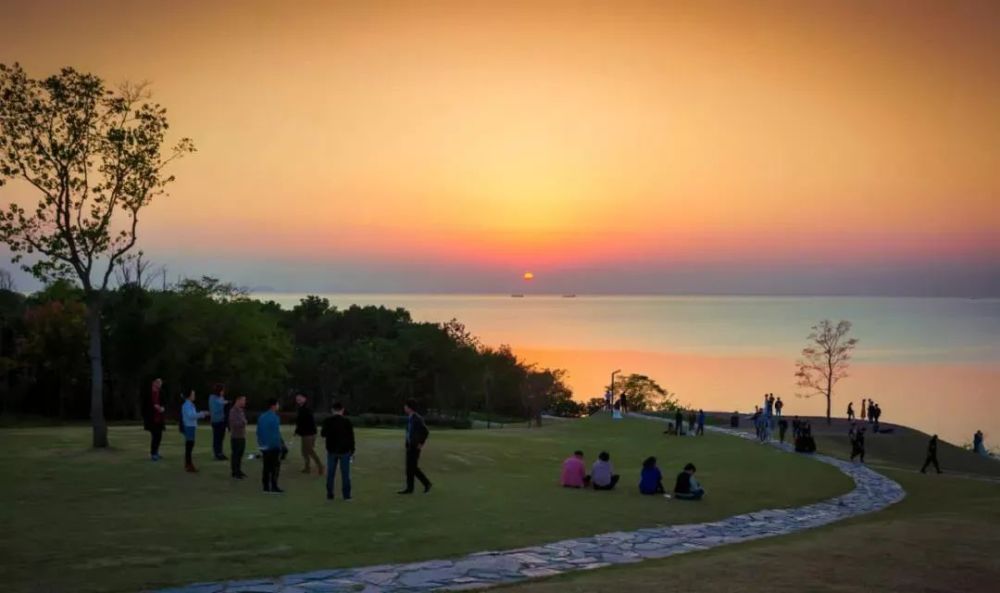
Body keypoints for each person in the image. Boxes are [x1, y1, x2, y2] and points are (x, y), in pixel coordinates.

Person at [321, 401, 355, 500]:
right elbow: (351, 437)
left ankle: (330, 494)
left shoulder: (327, 421)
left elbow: (323, 434)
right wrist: (352, 450)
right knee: (345, 474)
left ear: (332, 410)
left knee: (331, 474)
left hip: (332, 450)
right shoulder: (347, 421)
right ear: (342, 410)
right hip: (345, 450)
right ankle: (346, 495)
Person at [399, 398, 432, 494]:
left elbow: (426, 431)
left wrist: (421, 443)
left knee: (413, 468)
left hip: (415, 446)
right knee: (409, 468)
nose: (404, 408)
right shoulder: (410, 418)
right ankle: (410, 488)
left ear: (409, 407)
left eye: (405, 406)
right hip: (410, 446)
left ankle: (427, 483)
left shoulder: (417, 418)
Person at [257, 397, 285, 493]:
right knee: (275, 467)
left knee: (266, 466)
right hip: (273, 446)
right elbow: (275, 434)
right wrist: (279, 445)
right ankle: (274, 485)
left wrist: (261, 443)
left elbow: (259, 432)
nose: (278, 406)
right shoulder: (275, 417)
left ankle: (265, 486)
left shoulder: (262, 417)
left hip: (264, 445)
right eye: (277, 404)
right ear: (274, 406)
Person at [294, 394, 323, 475]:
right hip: (305, 433)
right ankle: (307, 467)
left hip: (309, 433)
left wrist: (298, 430)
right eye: (297, 398)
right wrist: (297, 431)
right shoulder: (301, 409)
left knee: (309, 450)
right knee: (304, 451)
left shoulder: (307, 409)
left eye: (300, 398)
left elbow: (305, 422)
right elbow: (300, 422)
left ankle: (320, 466)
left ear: (305, 399)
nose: (298, 399)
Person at [180, 390, 209, 472]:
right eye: (193, 394)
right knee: (189, 446)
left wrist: (202, 413)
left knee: (190, 445)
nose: (194, 396)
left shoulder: (190, 404)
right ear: (189, 396)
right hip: (188, 426)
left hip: (191, 426)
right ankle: (188, 465)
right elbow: (191, 416)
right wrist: (202, 413)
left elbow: (193, 414)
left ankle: (188, 464)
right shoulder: (187, 405)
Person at [143, 378, 166, 461]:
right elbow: (144, 405)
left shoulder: (161, 392)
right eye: (158, 383)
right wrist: (153, 407)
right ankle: (153, 453)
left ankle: (156, 452)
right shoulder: (148, 393)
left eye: (160, 383)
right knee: (155, 436)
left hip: (159, 418)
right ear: (154, 383)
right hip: (151, 418)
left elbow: (164, 403)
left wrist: (162, 408)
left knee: (159, 436)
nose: (159, 384)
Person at [228, 395, 248, 479]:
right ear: (238, 400)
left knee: (240, 455)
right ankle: (235, 472)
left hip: (241, 436)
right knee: (236, 455)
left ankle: (238, 470)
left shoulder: (241, 411)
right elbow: (233, 423)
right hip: (236, 437)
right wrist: (243, 423)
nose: (244, 402)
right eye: (243, 400)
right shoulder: (233, 411)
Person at [208, 384, 229, 461]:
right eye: (222, 390)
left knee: (221, 438)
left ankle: (220, 452)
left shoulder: (220, 398)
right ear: (219, 391)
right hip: (216, 421)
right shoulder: (213, 398)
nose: (223, 392)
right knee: (217, 438)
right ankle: (217, 454)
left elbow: (222, 403)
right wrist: (226, 402)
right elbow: (220, 403)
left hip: (222, 420)